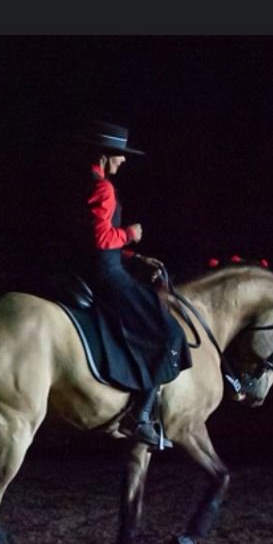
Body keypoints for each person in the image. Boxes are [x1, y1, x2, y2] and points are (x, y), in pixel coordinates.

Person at [76, 121, 191, 449]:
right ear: (105, 155)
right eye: (120, 156)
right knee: (169, 332)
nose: (123, 161)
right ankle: (139, 417)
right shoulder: (103, 188)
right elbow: (100, 239)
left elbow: (91, 239)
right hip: (106, 275)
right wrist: (130, 235)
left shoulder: (82, 182)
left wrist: (134, 257)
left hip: (92, 267)